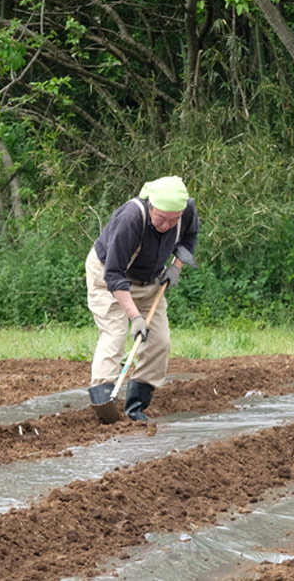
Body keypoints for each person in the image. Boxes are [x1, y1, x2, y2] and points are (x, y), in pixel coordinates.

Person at [86, 176, 199, 422]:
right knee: (115, 335)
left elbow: (189, 238)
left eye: (174, 219)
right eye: (161, 218)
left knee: (159, 342)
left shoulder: (186, 211)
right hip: (107, 277)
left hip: (150, 281)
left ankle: (135, 407)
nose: (168, 225)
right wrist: (135, 317)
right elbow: (113, 274)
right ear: (151, 206)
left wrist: (177, 267)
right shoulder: (131, 219)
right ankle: (104, 404)